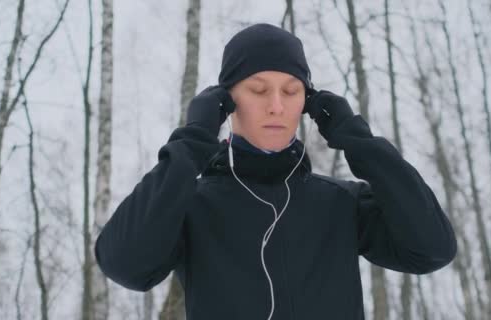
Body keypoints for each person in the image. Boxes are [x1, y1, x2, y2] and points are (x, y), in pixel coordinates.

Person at [94, 23, 457, 320]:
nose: (277, 106)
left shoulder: (342, 203)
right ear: (227, 102)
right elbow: (125, 264)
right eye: (258, 89)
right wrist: (193, 140)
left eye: (292, 90)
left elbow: (432, 249)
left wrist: (358, 140)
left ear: (307, 102)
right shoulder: (189, 204)